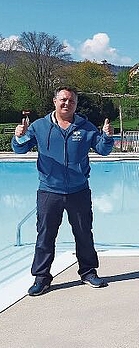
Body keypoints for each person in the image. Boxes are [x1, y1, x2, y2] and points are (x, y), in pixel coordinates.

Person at [12, 86, 114, 296]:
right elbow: (20, 149)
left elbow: (103, 150)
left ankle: (88, 272)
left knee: (84, 233)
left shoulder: (86, 127)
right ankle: (42, 277)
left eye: (71, 101)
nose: (67, 104)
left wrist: (107, 137)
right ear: (55, 101)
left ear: (76, 104)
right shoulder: (40, 126)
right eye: (63, 100)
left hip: (79, 190)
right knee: (45, 235)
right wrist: (19, 137)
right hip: (49, 191)